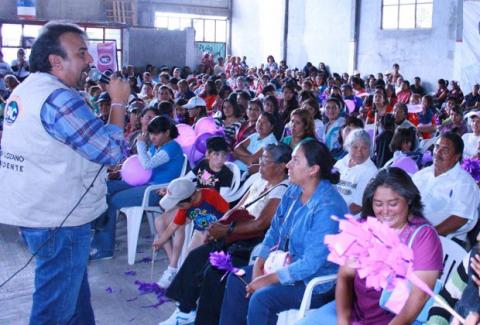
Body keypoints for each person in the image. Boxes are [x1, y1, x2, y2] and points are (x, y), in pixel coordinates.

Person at [0, 22, 130, 324]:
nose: (90, 61)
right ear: (56, 61)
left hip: (39, 212)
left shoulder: (27, 90)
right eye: (81, 52)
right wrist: (120, 101)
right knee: (54, 310)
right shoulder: (59, 99)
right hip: (60, 221)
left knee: (74, 299)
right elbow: (110, 152)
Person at [219, 140, 348, 325]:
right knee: (236, 279)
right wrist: (258, 267)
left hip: (314, 281)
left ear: (313, 169)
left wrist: (266, 280)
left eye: (295, 160)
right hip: (284, 264)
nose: (288, 164)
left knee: (262, 299)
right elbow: (275, 230)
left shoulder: (328, 207)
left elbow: (311, 264)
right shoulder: (294, 190)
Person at [160, 143, 291, 325]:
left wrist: (227, 230)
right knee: (196, 255)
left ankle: (205, 320)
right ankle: (186, 309)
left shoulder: (282, 189)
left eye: (265, 161)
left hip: (252, 241)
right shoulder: (260, 180)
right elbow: (238, 207)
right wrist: (218, 226)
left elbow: (261, 224)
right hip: (234, 232)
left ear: (281, 165)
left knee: (213, 270)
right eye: (260, 159)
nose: (259, 164)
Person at [299, 167, 443, 325]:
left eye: (393, 203)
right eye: (378, 204)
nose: (385, 211)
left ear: (409, 199)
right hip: (356, 313)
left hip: (399, 320)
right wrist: (343, 320)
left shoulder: (423, 236)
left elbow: (419, 296)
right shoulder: (364, 226)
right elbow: (345, 276)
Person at [90, 116, 184, 260]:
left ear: (167, 132)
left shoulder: (172, 147)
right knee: (105, 188)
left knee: (114, 200)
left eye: (156, 133)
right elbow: (142, 164)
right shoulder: (156, 146)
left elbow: (147, 164)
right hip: (145, 183)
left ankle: (105, 248)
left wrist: (140, 145)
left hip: (157, 191)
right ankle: (98, 234)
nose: (152, 137)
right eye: (151, 133)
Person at [152, 178, 230, 285]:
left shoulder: (211, 196)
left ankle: (207, 283)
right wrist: (161, 240)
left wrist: (215, 228)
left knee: (212, 262)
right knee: (191, 257)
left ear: (192, 197)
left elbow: (228, 214)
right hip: (200, 232)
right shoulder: (184, 204)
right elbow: (174, 225)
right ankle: (188, 286)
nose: (179, 208)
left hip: (220, 231)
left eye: (180, 205)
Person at [412, 132, 480, 244]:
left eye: (445, 150)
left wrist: (428, 235)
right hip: (414, 232)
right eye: (437, 147)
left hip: (446, 241)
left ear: (456, 157)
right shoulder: (422, 174)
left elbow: (459, 219)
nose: (437, 153)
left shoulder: (464, 183)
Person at [334, 129, 378, 214]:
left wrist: (336, 216)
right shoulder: (340, 163)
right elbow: (329, 179)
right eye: (355, 147)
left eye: (364, 148)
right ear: (348, 147)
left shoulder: (371, 171)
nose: (359, 152)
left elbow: (357, 206)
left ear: (370, 149)